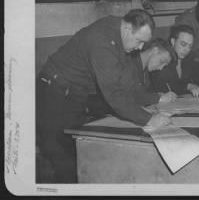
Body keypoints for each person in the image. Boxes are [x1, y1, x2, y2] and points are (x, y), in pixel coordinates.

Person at [36, 9, 176, 183]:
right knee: (64, 159)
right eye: (139, 41)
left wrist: (150, 105)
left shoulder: (119, 36)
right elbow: (113, 93)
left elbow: (126, 83)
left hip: (74, 94)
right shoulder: (103, 42)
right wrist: (147, 119)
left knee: (77, 154)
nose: (140, 48)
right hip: (54, 92)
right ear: (127, 29)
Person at [150, 24, 199, 98]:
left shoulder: (190, 57)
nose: (187, 50)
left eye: (190, 46)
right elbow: (163, 87)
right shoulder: (163, 58)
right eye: (183, 44)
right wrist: (188, 86)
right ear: (173, 42)